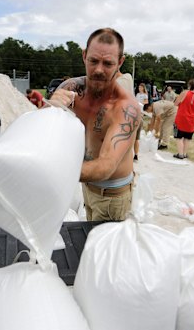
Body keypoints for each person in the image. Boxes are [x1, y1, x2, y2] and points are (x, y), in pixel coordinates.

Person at [49, 27, 141, 222]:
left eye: (108, 63)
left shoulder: (126, 108)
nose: (99, 70)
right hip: (86, 186)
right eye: (93, 61)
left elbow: (105, 166)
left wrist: (52, 169)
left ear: (120, 62)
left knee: (107, 252)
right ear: (84, 56)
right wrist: (50, 108)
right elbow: (42, 129)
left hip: (112, 197)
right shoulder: (71, 88)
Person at [173, 78, 194, 159]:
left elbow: (176, 103)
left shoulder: (184, 93)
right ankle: (184, 153)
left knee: (179, 137)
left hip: (181, 118)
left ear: (190, 85)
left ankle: (180, 154)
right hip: (192, 120)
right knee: (187, 137)